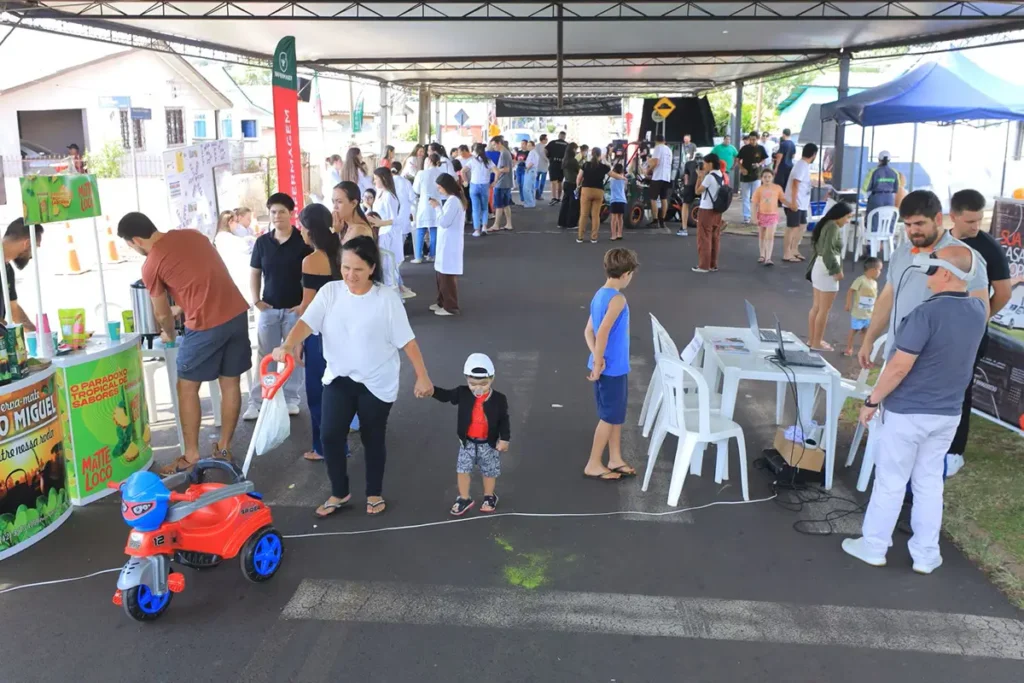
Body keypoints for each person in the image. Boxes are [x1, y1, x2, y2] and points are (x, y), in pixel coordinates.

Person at [842, 245, 987, 574]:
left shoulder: (925, 314)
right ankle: (925, 554)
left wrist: (872, 400)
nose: (927, 273)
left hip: (908, 412)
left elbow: (898, 368)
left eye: (932, 267)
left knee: (891, 481)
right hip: (947, 414)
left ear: (947, 274)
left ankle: (874, 546)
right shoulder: (978, 311)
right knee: (929, 483)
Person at [273, 236, 434, 518]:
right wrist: (287, 344)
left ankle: (374, 492)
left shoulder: (386, 299)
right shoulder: (330, 292)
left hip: (376, 382)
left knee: (373, 437)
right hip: (338, 378)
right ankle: (339, 491)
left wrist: (423, 377)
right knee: (330, 434)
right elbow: (306, 323)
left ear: (372, 268)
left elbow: (408, 341)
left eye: (358, 269)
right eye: (345, 268)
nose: (350, 275)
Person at [118, 212, 250, 473]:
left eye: (130, 246)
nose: (133, 250)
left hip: (205, 325)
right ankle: (223, 449)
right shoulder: (192, 235)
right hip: (236, 313)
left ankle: (191, 456)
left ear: (135, 240)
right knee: (230, 381)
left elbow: (161, 313)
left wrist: (169, 333)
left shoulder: (151, 263)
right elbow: (202, 278)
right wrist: (184, 307)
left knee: (186, 387)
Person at [945, 189, 1011, 474]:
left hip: (970, 336)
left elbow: (1005, 293)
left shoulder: (989, 247)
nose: (976, 226)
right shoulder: (941, 242)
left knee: (962, 388)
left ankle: (955, 450)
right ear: (954, 216)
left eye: (980, 220)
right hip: (937, 329)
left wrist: (980, 319)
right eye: (970, 221)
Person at [244, 192, 311, 421]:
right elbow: (255, 273)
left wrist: (304, 304)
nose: (277, 216)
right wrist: (256, 300)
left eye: (282, 211)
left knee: (294, 354)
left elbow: (311, 275)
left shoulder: (302, 241)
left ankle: (291, 398)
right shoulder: (263, 242)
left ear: (291, 214)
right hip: (269, 309)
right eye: (273, 212)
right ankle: (260, 398)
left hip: (295, 309)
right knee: (266, 355)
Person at [430, 353, 511, 516]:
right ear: (467, 379)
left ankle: (489, 496)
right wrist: (431, 391)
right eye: (473, 384)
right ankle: (464, 498)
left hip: (488, 444)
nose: (478, 388)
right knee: (463, 470)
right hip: (467, 443)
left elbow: (504, 419)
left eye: (484, 383)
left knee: (489, 472)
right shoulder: (462, 393)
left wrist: (505, 439)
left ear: (492, 378)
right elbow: (446, 396)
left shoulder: (499, 399)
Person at [294, 203, 345, 463]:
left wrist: (298, 339)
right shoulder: (342, 252)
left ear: (309, 229)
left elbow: (308, 306)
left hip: (321, 335)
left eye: (301, 226)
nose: (300, 231)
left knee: (318, 392)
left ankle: (324, 447)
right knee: (341, 389)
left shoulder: (311, 260)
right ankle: (341, 442)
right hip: (346, 331)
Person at [584, 247, 639, 481]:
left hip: (608, 365)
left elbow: (589, 331)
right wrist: (600, 362)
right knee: (608, 417)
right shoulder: (617, 299)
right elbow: (603, 331)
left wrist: (597, 359)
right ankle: (594, 463)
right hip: (612, 369)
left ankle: (614, 458)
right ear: (626, 274)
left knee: (615, 414)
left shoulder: (599, 295)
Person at [806, 202, 852, 351]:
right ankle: (817, 342)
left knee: (816, 307)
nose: (848, 220)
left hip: (819, 267)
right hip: (827, 269)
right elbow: (829, 252)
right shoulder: (833, 227)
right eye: (847, 217)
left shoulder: (826, 224)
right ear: (840, 215)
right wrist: (836, 270)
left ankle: (812, 340)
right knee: (823, 310)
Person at [371, 168, 413, 297]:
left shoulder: (390, 196)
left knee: (389, 270)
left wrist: (380, 223)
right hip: (381, 234)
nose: (374, 181)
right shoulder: (381, 193)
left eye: (376, 179)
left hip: (388, 235)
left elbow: (395, 219)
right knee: (385, 269)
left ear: (383, 179)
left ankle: (395, 300)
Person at [429, 173, 466, 317]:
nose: (439, 190)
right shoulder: (454, 200)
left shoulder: (453, 201)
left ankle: (450, 306)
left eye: (440, 188)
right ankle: (442, 301)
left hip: (450, 242)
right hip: (448, 241)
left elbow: (444, 222)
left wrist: (437, 207)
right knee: (441, 273)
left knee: (447, 275)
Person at [0, 219, 43, 331]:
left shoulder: (7, 270)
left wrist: (37, 334)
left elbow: (13, 309)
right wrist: (8, 333)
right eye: (35, 248)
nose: (32, 256)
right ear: (27, 243)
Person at [783, 142, 817, 263]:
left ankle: (794, 249)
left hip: (801, 202)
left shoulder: (804, 165)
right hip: (795, 202)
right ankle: (787, 253)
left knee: (802, 226)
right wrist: (793, 202)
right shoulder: (801, 165)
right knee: (792, 227)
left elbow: (800, 182)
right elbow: (795, 183)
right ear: (814, 154)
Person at [693, 153, 726, 274]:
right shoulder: (720, 175)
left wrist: (700, 177)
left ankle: (703, 266)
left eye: (705, 163)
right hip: (717, 211)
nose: (704, 165)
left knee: (704, 238)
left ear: (710, 163)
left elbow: (697, 191)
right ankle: (713, 264)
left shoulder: (709, 177)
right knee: (715, 237)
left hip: (706, 209)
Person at [844, 257, 883, 357]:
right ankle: (849, 347)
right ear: (872, 270)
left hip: (868, 312)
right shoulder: (861, 280)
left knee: (865, 331)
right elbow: (850, 291)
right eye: (879, 270)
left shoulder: (874, 283)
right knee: (854, 331)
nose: (880, 272)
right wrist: (848, 303)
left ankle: (863, 348)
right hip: (858, 312)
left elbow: (874, 296)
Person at [214, 209, 254, 302]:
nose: (237, 225)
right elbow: (245, 247)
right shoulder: (226, 238)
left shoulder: (223, 237)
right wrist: (250, 240)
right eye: (236, 222)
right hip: (238, 278)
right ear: (230, 222)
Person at [412, 153, 443, 262]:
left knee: (420, 230)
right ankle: (433, 255)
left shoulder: (421, 173)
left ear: (429, 161)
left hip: (424, 203)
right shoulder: (441, 173)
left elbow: (416, 189)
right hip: (437, 202)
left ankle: (418, 256)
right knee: (434, 229)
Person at [751, 168, 785, 265]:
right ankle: (762, 255)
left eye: (769, 177)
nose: (767, 179)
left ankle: (768, 257)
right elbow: (754, 203)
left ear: (773, 178)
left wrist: (791, 204)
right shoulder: (759, 189)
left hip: (773, 215)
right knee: (762, 235)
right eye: (765, 177)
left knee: (770, 236)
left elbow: (782, 199)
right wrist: (754, 217)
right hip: (761, 214)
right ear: (761, 178)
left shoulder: (777, 188)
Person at [577, 147, 610, 244]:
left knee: (583, 215)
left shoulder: (586, 165)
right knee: (595, 215)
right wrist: (622, 177)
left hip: (586, 190)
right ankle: (594, 238)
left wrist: (577, 186)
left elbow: (579, 177)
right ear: (600, 155)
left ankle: (580, 237)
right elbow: (612, 174)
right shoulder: (603, 167)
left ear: (591, 154)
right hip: (598, 191)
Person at [462, 143, 496, 238]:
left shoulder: (472, 161)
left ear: (475, 151)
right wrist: (494, 182)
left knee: (475, 209)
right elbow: (497, 171)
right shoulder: (488, 161)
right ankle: (484, 227)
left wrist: (465, 181)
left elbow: (463, 171)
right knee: (484, 207)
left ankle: (477, 230)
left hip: (474, 185)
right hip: (485, 186)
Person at [737, 132, 770, 224]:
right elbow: (737, 159)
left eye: (754, 139)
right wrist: (742, 168)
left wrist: (759, 164)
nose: (752, 141)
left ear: (757, 139)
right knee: (745, 197)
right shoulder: (744, 148)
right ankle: (746, 216)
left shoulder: (760, 148)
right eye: (750, 139)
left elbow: (764, 159)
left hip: (756, 175)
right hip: (745, 175)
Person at [646, 134, 674, 229]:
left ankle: (655, 220)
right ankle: (662, 220)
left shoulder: (658, 148)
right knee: (664, 198)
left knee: (653, 198)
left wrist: (648, 170)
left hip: (658, 176)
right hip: (667, 176)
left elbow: (656, 162)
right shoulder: (669, 150)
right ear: (664, 140)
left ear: (656, 141)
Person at [862, 150, 901, 216]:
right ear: (889, 160)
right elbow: (897, 187)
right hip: (889, 199)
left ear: (879, 159)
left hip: (876, 198)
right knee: (887, 220)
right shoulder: (894, 172)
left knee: (873, 220)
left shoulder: (873, 171)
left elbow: (865, 188)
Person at [489, 136, 515, 232]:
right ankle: (509, 224)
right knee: (505, 204)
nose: (494, 147)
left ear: (499, 143)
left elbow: (506, 169)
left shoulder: (504, 154)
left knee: (499, 205)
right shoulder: (505, 153)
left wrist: (495, 170)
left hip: (502, 183)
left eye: (494, 145)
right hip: (506, 183)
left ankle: (496, 224)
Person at [677, 152, 702, 237]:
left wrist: (686, 187)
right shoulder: (705, 163)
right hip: (702, 184)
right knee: (707, 206)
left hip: (691, 185)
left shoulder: (689, 163)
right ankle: (706, 229)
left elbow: (686, 178)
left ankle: (684, 228)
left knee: (685, 204)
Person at [558, 142, 581, 230]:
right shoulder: (573, 161)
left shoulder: (565, 160)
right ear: (573, 150)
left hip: (566, 183)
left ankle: (562, 222)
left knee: (565, 203)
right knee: (574, 204)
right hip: (573, 184)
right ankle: (571, 223)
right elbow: (579, 171)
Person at [546, 131, 569, 204]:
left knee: (554, 182)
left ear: (559, 136)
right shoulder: (567, 144)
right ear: (564, 137)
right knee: (560, 182)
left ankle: (554, 197)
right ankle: (559, 198)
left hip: (553, 163)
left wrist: (548, 157)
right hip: (562, 164)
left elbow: (545, 150)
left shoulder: (553, 142)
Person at [608, 163, 628, 241]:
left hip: (614, 199)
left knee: (613, 218)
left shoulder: (612, 179)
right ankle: (619, 233)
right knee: (620, 218)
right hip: (622, 200)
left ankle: (613, 235)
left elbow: (610, 188)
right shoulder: (624, 179)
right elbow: (625, 189)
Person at [523, 141, 539, 209]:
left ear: (533, 146)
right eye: (528, 145)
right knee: (531, 187)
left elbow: (532, 162)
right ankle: (531, 202)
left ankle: (529, 203)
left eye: (530, 145)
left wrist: (527, 168)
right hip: (532, 170)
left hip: (530, 170)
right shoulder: (533, 152)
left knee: (527, 188)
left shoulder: (532, 153)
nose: (528, 147)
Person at [535, 134, 550, 201]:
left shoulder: (536, 146)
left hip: (537, 166)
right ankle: (539, 194)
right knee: (542, 181)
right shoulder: (544, 147)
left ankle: (536, 192)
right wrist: (548, 160)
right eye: (546, 139)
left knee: (536, 180)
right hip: (543, 166)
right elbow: (544, 156)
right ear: (543, 140)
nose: (547, 140)